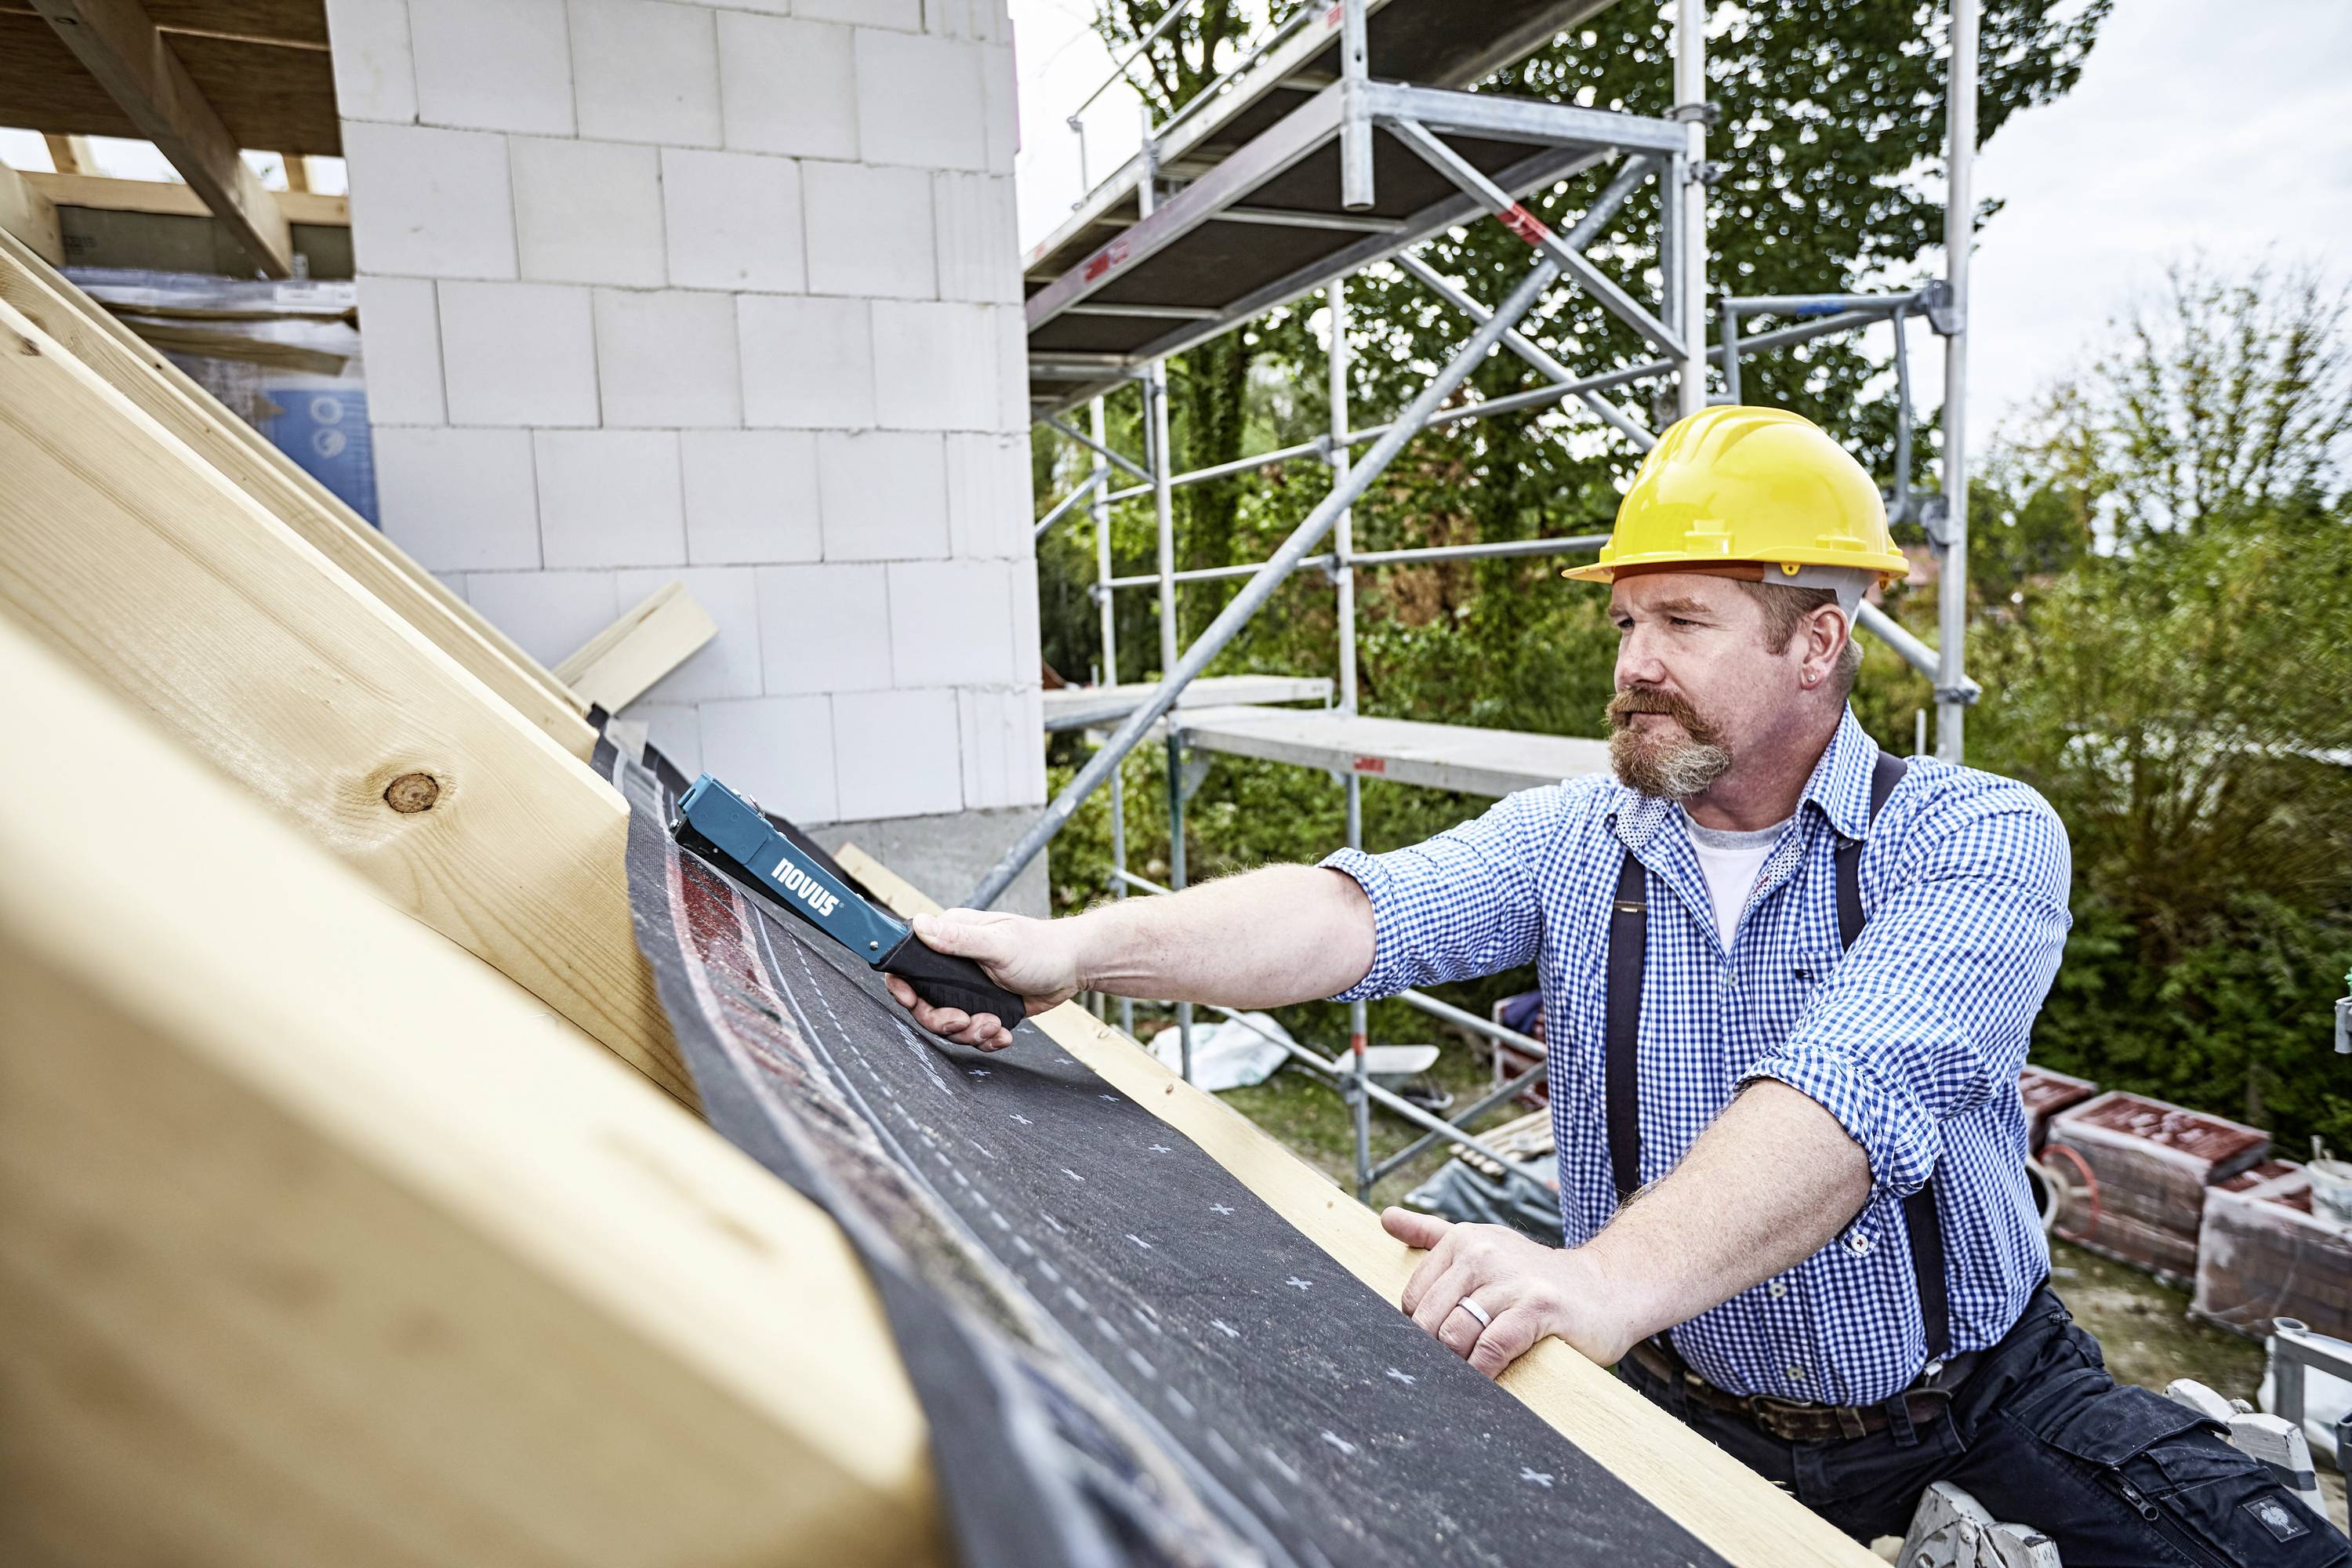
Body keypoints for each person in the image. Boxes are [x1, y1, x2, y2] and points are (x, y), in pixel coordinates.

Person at [887, 406, 2350, 1565]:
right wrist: (1079, 952)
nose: (1634, 664)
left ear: (1816, 643)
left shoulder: (1971, 839)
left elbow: (1851, 1099)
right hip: (1675, 1402)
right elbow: (1348, 916)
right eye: (1626, 623)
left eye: (1684, 624)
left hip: (1978, 1409)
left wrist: (1596, 1281)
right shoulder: (1577, 841)